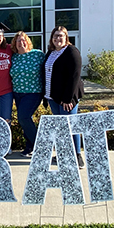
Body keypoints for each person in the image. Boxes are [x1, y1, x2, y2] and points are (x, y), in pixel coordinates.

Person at [42, 26, 85, 168]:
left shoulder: (72, 52)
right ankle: (63, 155)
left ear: (66, 37)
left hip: (67, 99)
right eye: (55, 36)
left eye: (60, 36)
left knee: (72, 127)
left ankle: (77, 156)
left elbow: (74, 76)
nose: (57, 39)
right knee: (60, 128)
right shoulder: (51, 52)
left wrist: (68, 99)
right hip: (53, 97)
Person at [10, 31, 44, 157]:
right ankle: (29, 147)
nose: (21, 43)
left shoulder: (38, 55)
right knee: (25, 120)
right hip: (17, 93)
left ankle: (39, 146)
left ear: (28, 41)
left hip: (33, 92)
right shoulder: (13, 57)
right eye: (18, 41)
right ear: (14, 44)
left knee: (23, 117)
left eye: (23, 40)